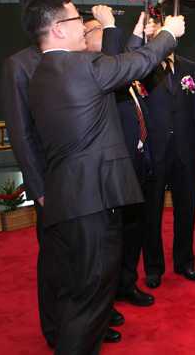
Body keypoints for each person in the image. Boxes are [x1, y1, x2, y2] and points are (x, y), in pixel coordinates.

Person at [26, 0, 183, 354]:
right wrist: (169, 35)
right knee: (91, 300)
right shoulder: (79, 67)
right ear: (57, 29)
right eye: (76, 21)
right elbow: (137, 64)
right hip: (92, 202)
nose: (83, 28)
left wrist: (130, 34)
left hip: (66, 200)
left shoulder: (42, 73)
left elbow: (117, 66)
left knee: (75, 292)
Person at [1, 0, 127, 346]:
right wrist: (39, 188)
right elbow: (22, 134)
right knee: (58, 262)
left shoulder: (78, 55)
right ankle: (56, 328)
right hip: (53, 182)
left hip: (84, 180)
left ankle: (90, 324)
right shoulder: (20, 65)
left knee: (91, 262)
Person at [83, 15, 156, 307]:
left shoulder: (119, 74)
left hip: (136, 165)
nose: (103, 33)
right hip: (111, 170)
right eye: (97, 29)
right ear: (84, 39)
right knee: (110, 238)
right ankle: (107, 296)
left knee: (133, 230)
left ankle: (127, 283)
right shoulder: (91, 72)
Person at [136, 18, 195, 288]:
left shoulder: (189, 67)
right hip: (154, 150)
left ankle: (185, 262)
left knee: (186, 209)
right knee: (151, 213)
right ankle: (153, 268)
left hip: (185, 149)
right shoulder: (143, 66)